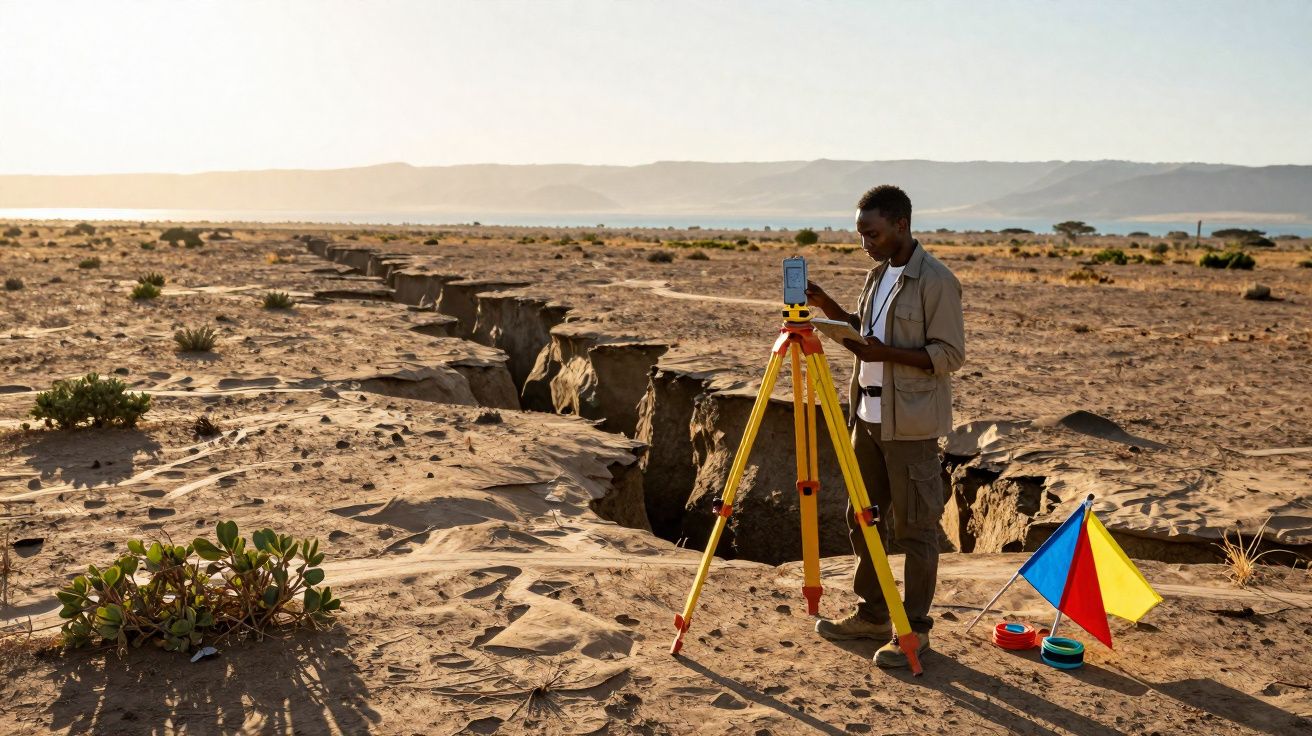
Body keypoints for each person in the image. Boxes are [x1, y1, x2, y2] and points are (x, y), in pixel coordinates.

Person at [804, 184, 965, 668]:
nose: (864, 243)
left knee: (915, 531)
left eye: (871, 233)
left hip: (910, 426)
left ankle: (914, 631)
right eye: (859, 235)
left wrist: (885, 354)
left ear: (900, 224)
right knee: (862, 521)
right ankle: (873, 614)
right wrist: (830, 309)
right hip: (867, 419)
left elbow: (949, 354)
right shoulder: (878, 277)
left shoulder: (936, 281)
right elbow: (867, 333)